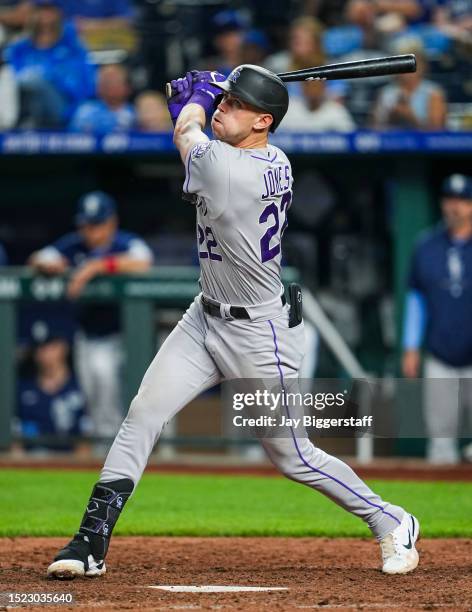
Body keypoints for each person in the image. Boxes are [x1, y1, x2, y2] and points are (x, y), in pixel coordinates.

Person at [46, 66, 419, 580]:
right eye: (226, 99)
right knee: (143, 412)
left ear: (264, 121)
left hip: (260, 334)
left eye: (238, 103)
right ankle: (90, 542)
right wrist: (203, 98)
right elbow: (198, 135)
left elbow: (187, 134)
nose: (226, 106)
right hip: (206, 316)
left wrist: (196, 95)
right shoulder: (270, 158)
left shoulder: (229, 170)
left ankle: (392, 520)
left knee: (293, 457)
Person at [29, 191, 154, 448]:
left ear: (111, 222)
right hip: (88, 333)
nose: (90, 232)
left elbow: (143, 261)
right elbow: (39, 258)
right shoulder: (74, 244)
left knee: (111, 386)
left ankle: (118, 450)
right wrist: (47, 265)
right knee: (91, 393)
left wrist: (97, 266)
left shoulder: (124, 242)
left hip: (124, 335)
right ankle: (103, 451)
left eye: (96, 224)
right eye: (86, 225)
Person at [402, 174, 472, 464]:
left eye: (463, 201)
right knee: (440, 443)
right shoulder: (426, 245)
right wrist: (411, 346)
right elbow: (415, 300)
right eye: (450, 200)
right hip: (439, 353)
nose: (455, 207)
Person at [5, 0, 94, 128]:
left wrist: (49, 77)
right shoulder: (20, 48)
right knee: (16, 81)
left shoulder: (72, 47)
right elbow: (10, 79)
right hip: (25, 106)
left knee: (31, 79)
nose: (45, 15)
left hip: (63, 106)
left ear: (59, 13)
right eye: (40, 9)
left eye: (49, 10)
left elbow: (84, 85)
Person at [17, 320, 89, 454]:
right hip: (32, 462)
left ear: (64, 347)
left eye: (51, 346)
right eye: (40, 348)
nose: (45, 354)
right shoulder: (23, 390)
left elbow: (86, 442)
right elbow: (15, 443)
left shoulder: (80, 387)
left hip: (71, 463)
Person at [373, 45, 447, 129]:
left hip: (422, 141)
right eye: (403, 64)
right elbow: (374, 128)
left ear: (423, 67)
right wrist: (391, 118)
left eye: (412, 64)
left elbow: (436, 130)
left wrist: (411, 117)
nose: (408, 69)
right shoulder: (386, 92)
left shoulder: (433, 92)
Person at [70, 64, 135, 133]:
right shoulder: (85, 111)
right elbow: (73, 138)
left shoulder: (135, 113)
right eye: (104, 81)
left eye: (112, 81)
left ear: (127, 87)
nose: (107, 86)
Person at [280, 79, 356, 131]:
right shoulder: (290, 108)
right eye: (309, 86)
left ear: (324, 88)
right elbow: (278, 135)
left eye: (317, 87)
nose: (313, 91)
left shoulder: (336, 110)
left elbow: (349, 136)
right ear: (303, 88)